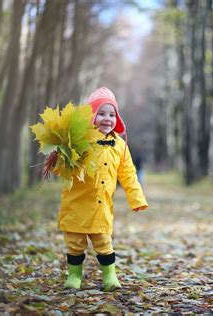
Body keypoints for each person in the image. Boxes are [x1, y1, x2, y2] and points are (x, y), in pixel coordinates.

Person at [49, 87, 148, 290]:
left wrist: (137, 198)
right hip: (75, 205)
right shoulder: (78, 140)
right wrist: (60, 156)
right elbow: (61, 170)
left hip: (101, 206)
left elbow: (128, 174)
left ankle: (110, 276)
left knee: (104, 242)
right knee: (75, 244)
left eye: (112, 114)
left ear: (117, 118)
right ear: (91, 116)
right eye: (101, 113)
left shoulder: (120, 146)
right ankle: (74, 276)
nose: (107, 119)